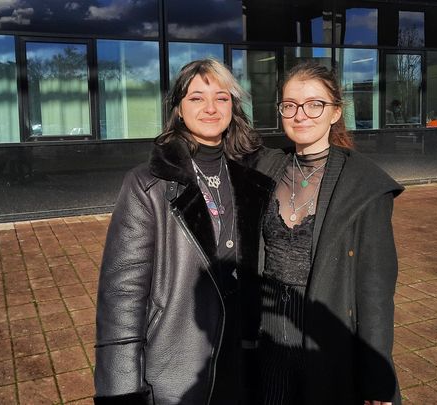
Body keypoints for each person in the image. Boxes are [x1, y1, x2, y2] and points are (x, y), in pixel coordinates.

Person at [94, 59, 276, 405]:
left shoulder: (251, 179)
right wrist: (121, 392)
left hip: (242, 363)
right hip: (177, 366)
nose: (210, 108)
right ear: (178, 109)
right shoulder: (148, 185)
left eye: (221, 98)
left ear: (233, 108)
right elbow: (122, 294)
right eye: (196, 98)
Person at [252, 61, 403, 404]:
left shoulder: (364, 184)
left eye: (315, 104)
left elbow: (375, 289)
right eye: (290, 105)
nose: (300, 114)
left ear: (335, 112)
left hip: (326, 337)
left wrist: (377, 376)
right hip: (268, 337)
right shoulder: (266, 167)